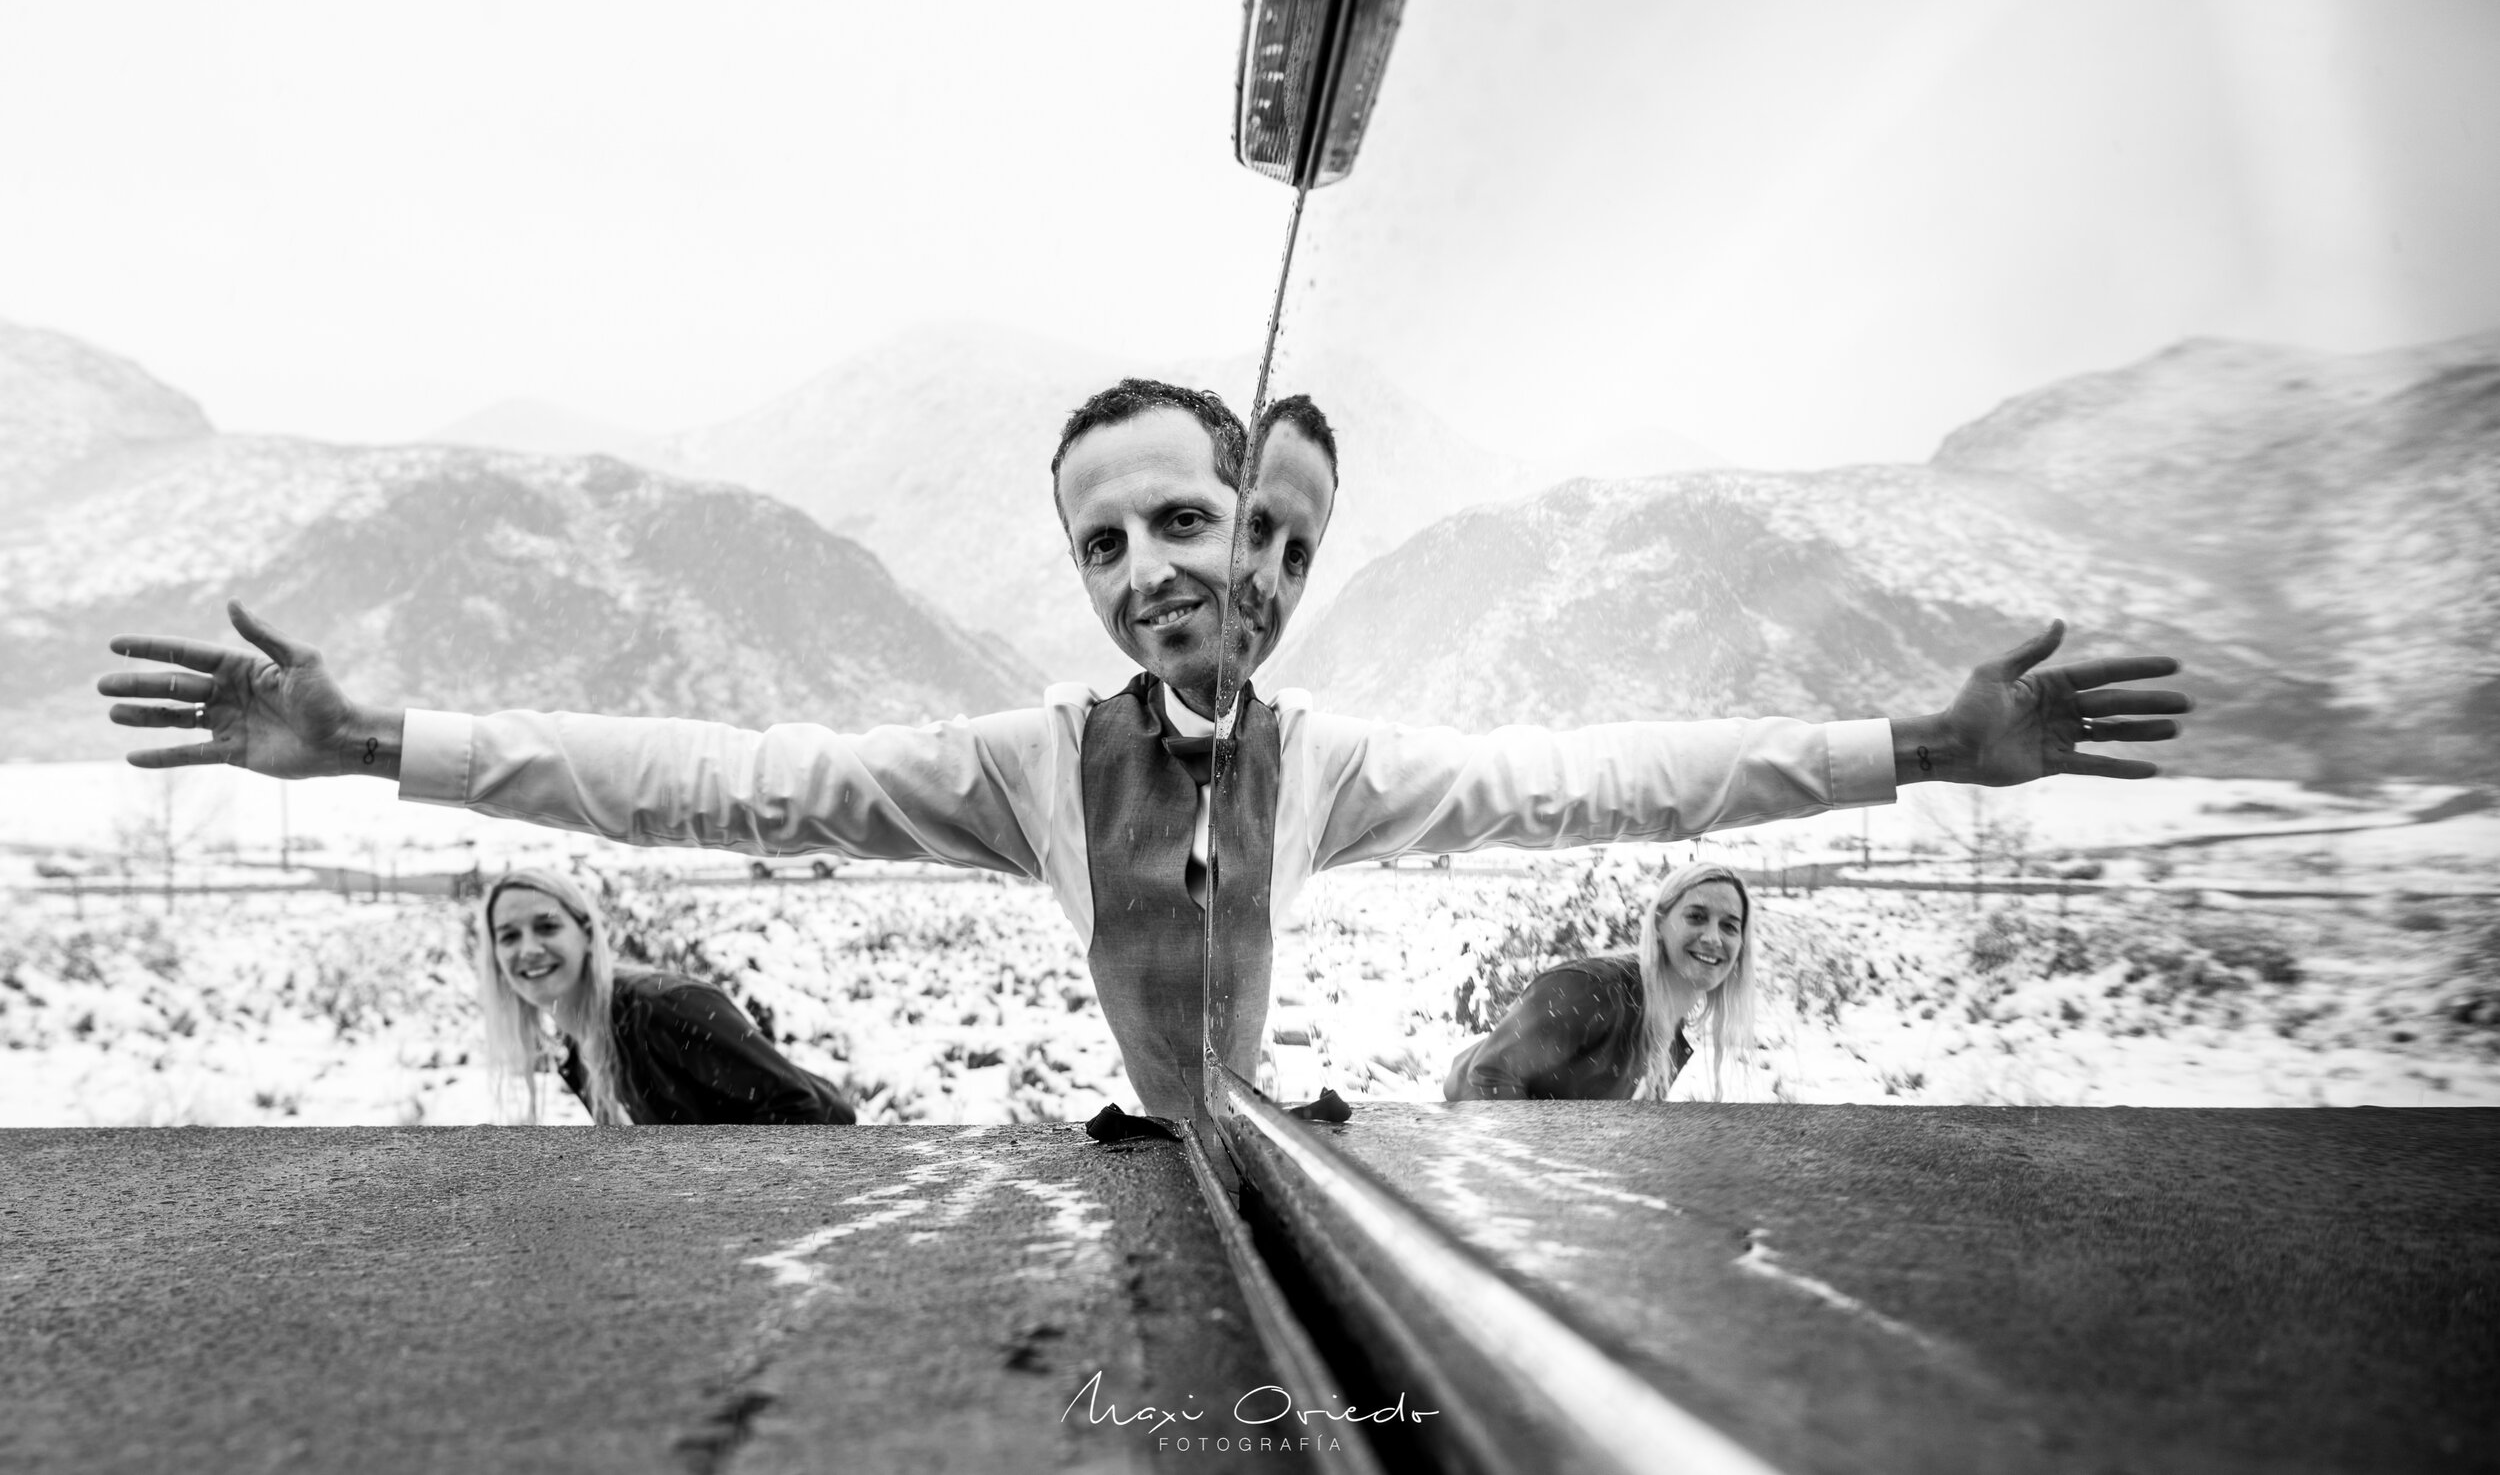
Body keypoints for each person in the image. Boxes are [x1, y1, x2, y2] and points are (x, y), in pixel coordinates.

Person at [97, 377, 2193, 1122]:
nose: (1150, 568)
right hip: (1158, 1151)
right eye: (1101, 542)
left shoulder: (1336, 764)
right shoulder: (1028, 764)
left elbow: (1621, 781)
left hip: (1267, 1141)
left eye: (1185, 521)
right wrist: (380, 741)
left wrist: (1921, 741)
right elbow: (718, 783)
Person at [476, 867, 854, 1125]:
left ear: (588, 934)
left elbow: (801, 1108)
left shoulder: (661, 1010)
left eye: (546, 926)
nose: (528, 949)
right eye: (509, 936)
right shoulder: (579, 1052)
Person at [1444, 862, 1757, 1103]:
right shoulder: (1594, 990)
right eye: (1696, 917)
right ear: (1660, 923)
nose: (1713, 938)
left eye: (1729, 926)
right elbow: (1487, 1076)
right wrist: (1539, 1177)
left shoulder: (1670, 1032)